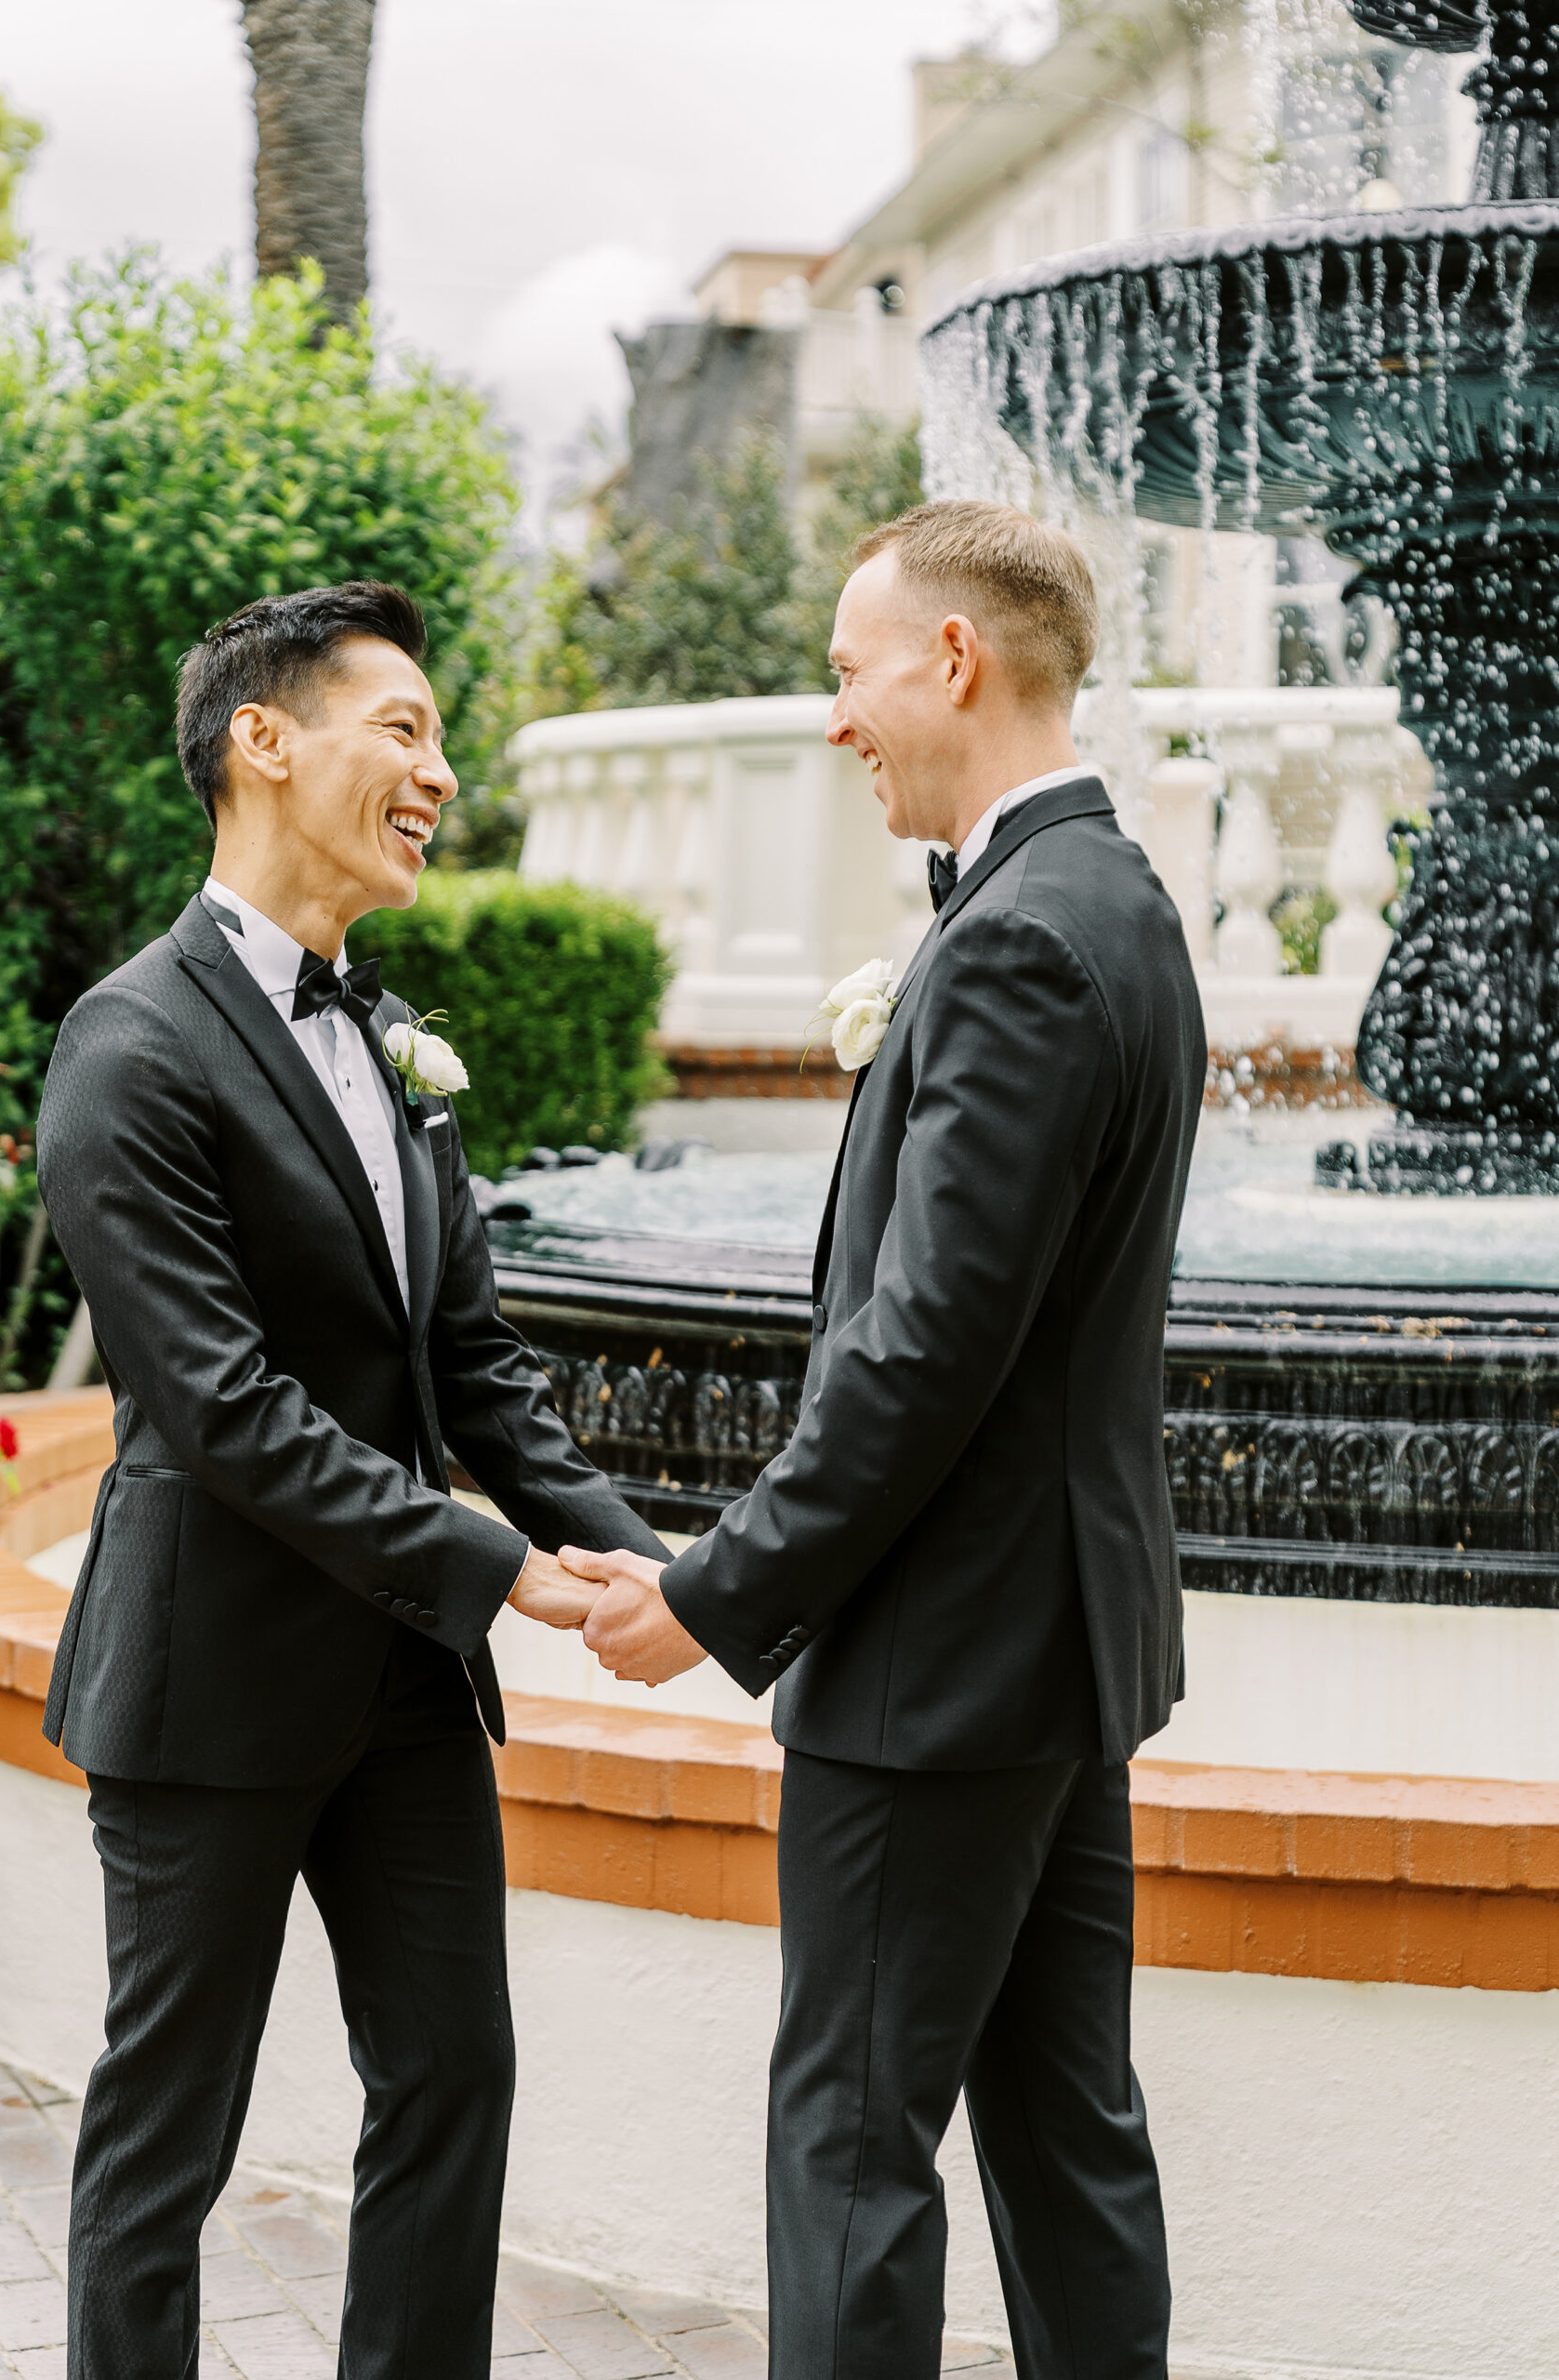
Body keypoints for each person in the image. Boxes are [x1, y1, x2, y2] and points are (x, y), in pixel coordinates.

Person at [562, 501, 1206, 2379]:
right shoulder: (1119, 903)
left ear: (950, 660)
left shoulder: (1017, 941)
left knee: (848, 2148)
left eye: (850, 667)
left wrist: (710, 1587)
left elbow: (923, 1348)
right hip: (1059, 1657)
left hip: (935, 1675)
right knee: (1066, 2138)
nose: (836, 712)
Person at [35, 580, 669, 2380]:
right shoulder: (128, 1046)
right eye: (402, 728)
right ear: (263, 740)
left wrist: (678, 1570)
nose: (438, 772)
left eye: (441, 741)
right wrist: (488, 1566)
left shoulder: (392, 1045)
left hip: (398, 1685)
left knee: (455, 2075)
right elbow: (224, 1407)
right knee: (167, 2143)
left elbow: (473, 1371)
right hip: (212, 1678)